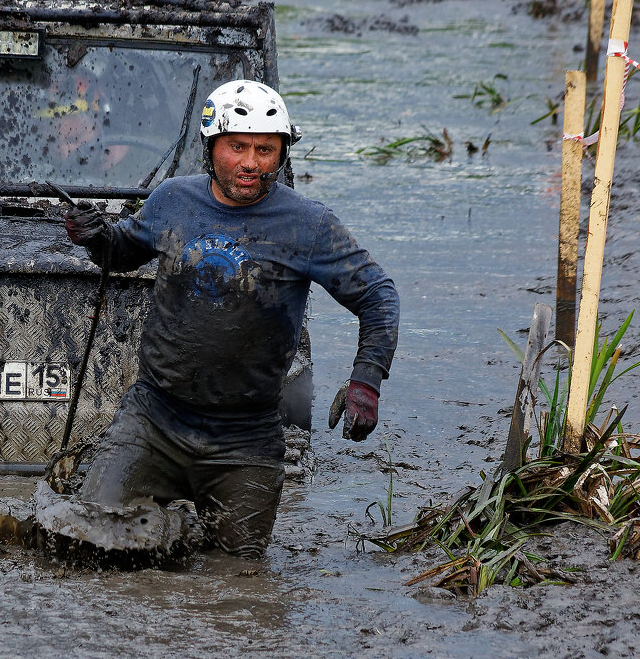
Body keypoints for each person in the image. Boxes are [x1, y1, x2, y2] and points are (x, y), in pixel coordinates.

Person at [62, 79, 399, 558]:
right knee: (90, 542)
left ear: (282, 155)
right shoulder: (173, 200)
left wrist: (366, 380)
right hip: (154, 419)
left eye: (266, 150)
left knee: (240, 578)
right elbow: (121, 251)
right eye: (237, 146)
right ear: (210, 145)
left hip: (246, 438)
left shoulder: (308, 224)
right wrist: (95, 236)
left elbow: (378, 294)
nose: (250, 163)